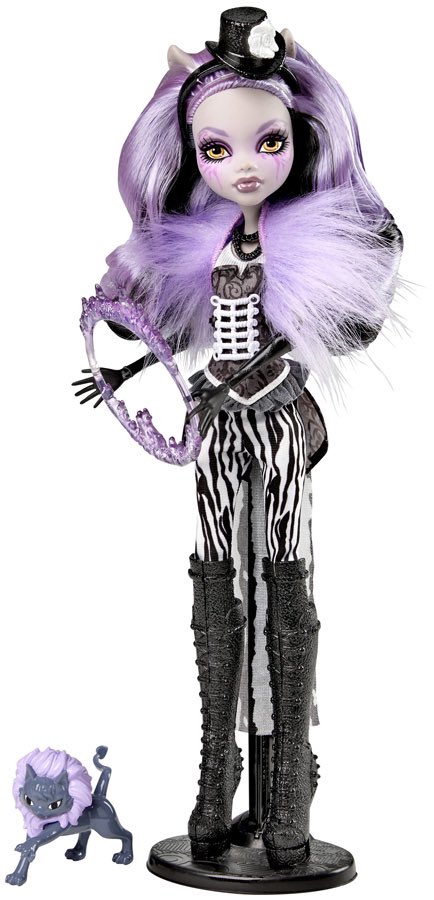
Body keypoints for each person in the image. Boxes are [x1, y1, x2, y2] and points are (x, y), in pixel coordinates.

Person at [74, 6, 402, 869]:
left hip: (279, 422)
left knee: (286, 579)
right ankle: (214, 786)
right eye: (217, 150)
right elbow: (172, 336)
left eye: (269, 142)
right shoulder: (197, 246)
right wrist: (121, 373)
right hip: (217, 428)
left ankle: (286, 793)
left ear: (302, 138)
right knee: (216, 578)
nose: (244, 166)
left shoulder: (309, 243)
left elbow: (325, 329)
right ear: (191, 154)